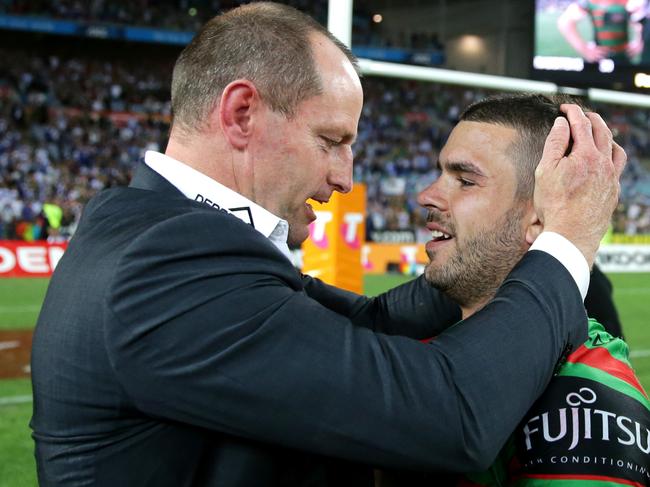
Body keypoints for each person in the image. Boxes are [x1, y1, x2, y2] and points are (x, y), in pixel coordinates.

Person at [30, 3, 626, 487]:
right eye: (331, 140)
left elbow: (369, 321)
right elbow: (449, 415)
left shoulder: (154, 230)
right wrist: (566, 241)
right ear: (241, 113)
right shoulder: (163, 265)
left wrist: (487, 252)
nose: (344, 176)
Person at [380, 94, 648, 487]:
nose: (427, 196)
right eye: (439, 173)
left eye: (465, 180)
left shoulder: (587, 400)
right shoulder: (412, 331)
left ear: (542, 217)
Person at [557, 0, 645, 64]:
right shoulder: (589, 2)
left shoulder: (629, 1)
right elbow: (565, 21)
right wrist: (585, 50)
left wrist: (639, 41)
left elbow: (640, 21)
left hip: (623, 57)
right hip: (600, 58)